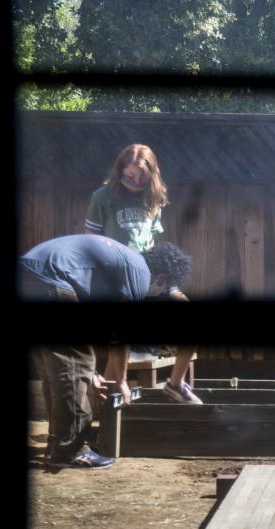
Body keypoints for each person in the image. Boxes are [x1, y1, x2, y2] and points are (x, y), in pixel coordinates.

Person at [20, 234, 194, 468]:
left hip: (29, 275)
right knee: (75, 362)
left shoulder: (120, 266)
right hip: (51, 280)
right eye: (162, 292)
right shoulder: (140, 274)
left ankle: (58, 442)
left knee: (57, 368)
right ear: (162, 279)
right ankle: (70, 450)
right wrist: (121, 381)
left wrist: (90, 373)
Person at [84, 143, 202, 405]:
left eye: (141, 176)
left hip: (150, 273)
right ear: (120, 170)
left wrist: (161, 275)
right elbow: (90, 242)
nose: (135, 180)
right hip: (116, 275)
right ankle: (102, 406)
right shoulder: (102, 197)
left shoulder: (154, 197)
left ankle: (175, 384)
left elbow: (150, 242)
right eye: (130, 175)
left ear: (151, 174)